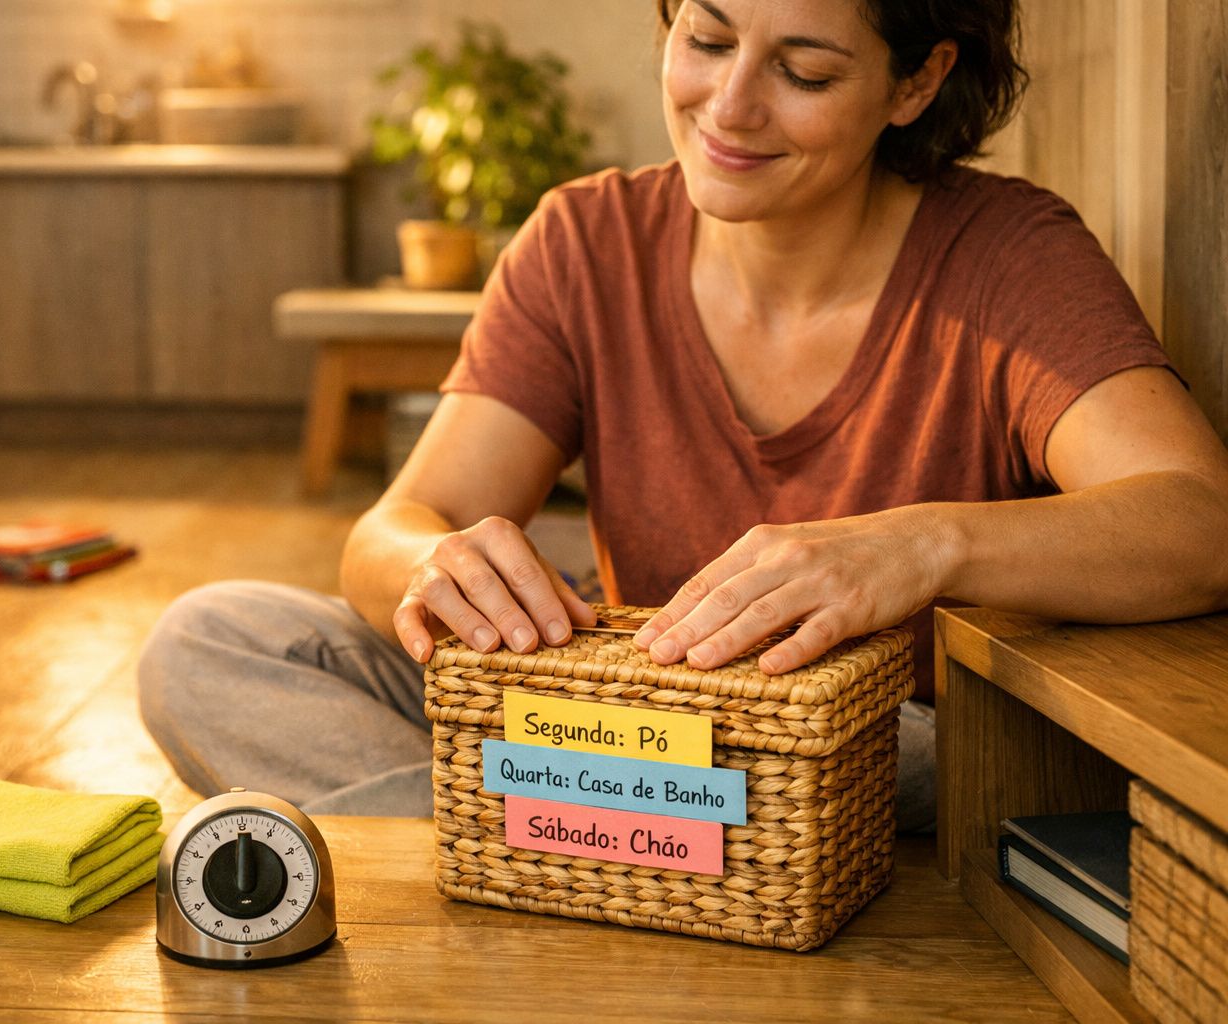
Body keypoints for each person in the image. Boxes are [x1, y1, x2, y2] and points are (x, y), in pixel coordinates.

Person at [139, 0, 1228, 830]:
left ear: (916, 82)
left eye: (803, 70)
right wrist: (435, 564)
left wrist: (923, 544)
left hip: (853, 749)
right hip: (609, 732)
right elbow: (398, 525)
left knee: (947, 756)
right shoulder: (585, 242)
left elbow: (1198, 519)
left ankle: (524, 837)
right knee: (211, 638)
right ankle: (584, 840)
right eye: (707, 39)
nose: (732, 106)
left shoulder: (1008, 256)